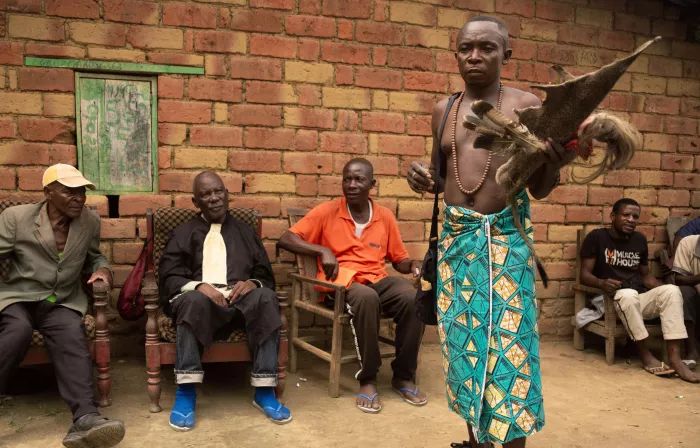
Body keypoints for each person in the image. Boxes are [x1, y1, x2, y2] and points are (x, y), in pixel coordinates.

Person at [406, 15, 577, 448]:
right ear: (456, 54)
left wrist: (553, 164)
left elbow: (539, 189)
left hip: (506, 242)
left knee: (510, 355)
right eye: (466, 48)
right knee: (464, 351)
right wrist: (421, 177)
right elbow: (441, 176)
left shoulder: (525, 105)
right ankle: (478, 442)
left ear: (506, 54)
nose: (475, 56)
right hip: (457, 246)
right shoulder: (444, 110)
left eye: (487, 47)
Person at [0, 164, 125, 448]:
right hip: (17, 297)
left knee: (71, 332)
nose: (79, 198)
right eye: (69, 191)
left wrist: (102, 269)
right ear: (48, 193)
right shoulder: (17, 218)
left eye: (81, 191)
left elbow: (94, 256)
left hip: (61, 301)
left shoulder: (88, 221)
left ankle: (86, 418)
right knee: (17, 332)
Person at [278, 158, 427, 414]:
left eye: (359, 179)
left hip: (375, 280)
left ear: (372, 184)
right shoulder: (328, 211)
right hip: (340, 283)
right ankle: (368, 379)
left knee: (414, 298)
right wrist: (322, 250)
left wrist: (413, 263)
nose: (351, 184)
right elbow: (286, 239)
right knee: (366, 298)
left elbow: (399, 260)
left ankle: (403, 376)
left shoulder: (384, 216)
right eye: (347, 179)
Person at [158, 171, 291, 431]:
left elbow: (264, 273)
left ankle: (264, 391)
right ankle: (186, 392)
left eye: (218, 191)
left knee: (266, 297)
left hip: (241, 303)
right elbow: (169, 275)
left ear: (227, 195)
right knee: (192, 301)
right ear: (196, 202)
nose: (214, 198)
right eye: (206, 194)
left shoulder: (245, 232)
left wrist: (252, 283)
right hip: (202, 305)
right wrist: (200, 287)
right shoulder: (182, 233)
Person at [580, 198, 699, 383]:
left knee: (671, 291)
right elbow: (584, 275)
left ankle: (675, 359)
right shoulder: (597, 237)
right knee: (627, 295)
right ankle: (645, 354)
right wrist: (601, 283)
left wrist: (667, 291)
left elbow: (646, 277)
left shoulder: (639, 240)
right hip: (609, 300)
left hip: (636, 299)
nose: (631, 219)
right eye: (625, 215)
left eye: (635, 216)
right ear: (613, 216)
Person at [672, 231, 700, 367]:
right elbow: (679, 279)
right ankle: (691, 350)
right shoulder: (689, 243)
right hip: (697, 300)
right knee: (684, 292)